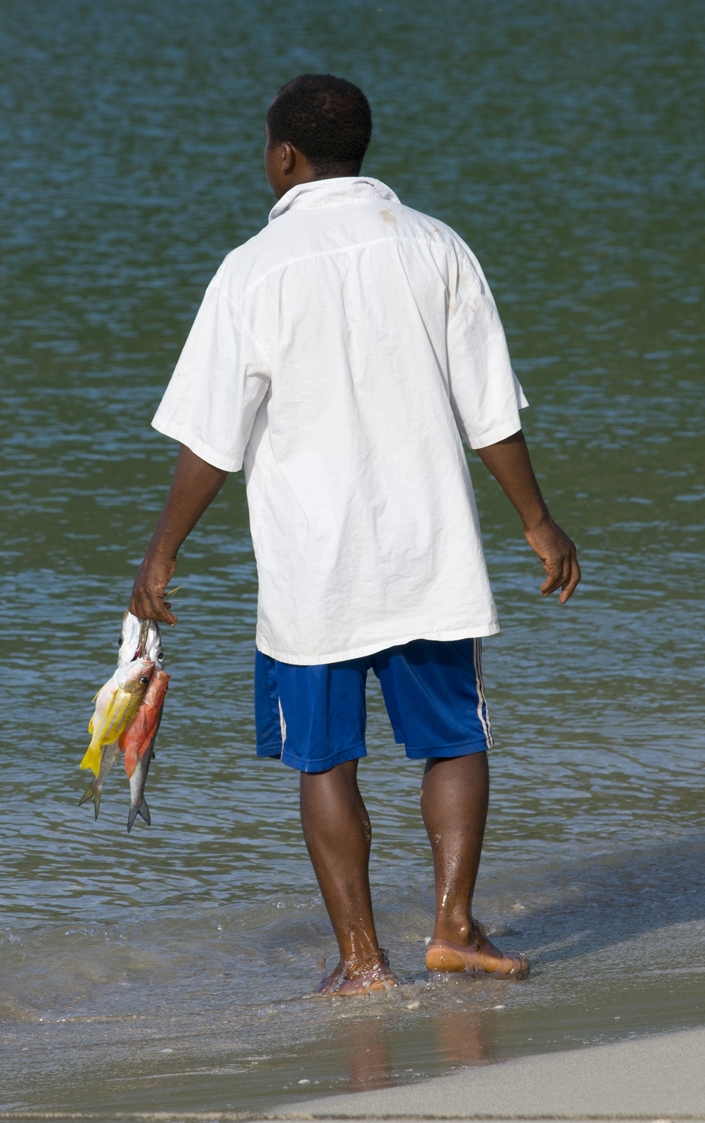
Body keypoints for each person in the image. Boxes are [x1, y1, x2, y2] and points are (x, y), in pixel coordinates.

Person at [130, 74, 580, 995]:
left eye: (265, 148)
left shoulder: (254, 269)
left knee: (325, 756)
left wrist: (162, 551)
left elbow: (210, 440)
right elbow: (489, 411)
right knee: (454, 739)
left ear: (285, 157)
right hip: (429, 552)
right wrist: (537, 520)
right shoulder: (435, 246)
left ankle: (364, 961)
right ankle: (453, 927)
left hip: (313, 570)